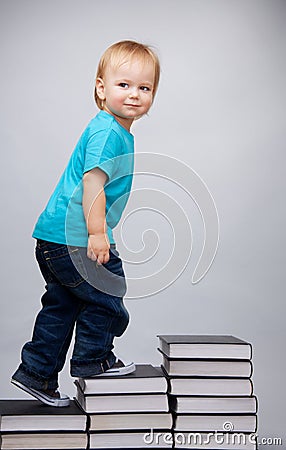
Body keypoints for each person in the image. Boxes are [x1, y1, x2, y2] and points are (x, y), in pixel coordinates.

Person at [11, 40, 160, 407]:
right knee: (108, 292)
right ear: (101, 87)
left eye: (145, 87)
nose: (134, 95)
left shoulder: (110, 129)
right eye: (123, 85)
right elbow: (94, 182)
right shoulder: (109, 133)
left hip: (52, 238)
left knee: (63, 305)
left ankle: (36, 373)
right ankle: (93, 360)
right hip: (75, 238)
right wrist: (97, 233)